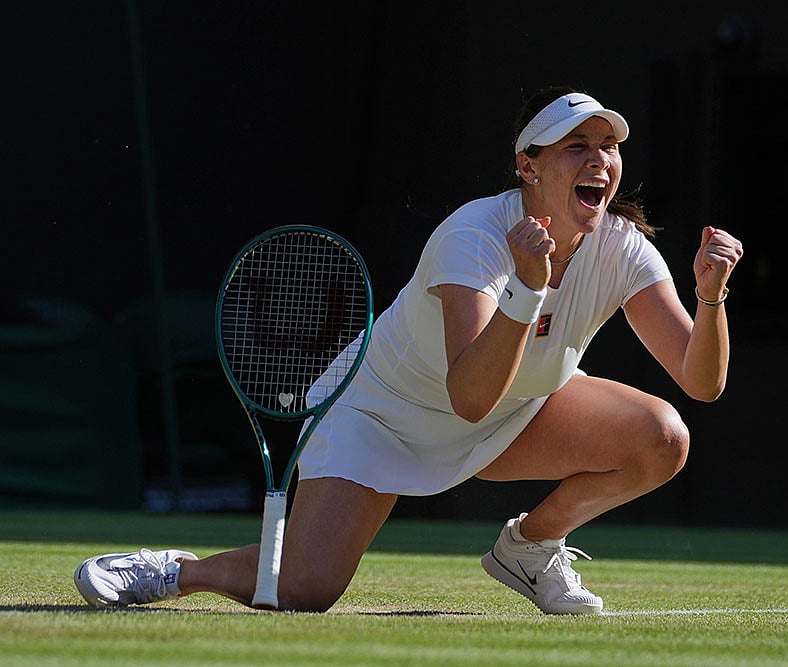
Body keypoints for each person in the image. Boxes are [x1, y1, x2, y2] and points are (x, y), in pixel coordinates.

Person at [74, 86, 743, 615]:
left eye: (608, 146)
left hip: (511, 412)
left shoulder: (623, 247)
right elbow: (469, 394)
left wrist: (710, 297)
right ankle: (179, 571)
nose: (599, 159)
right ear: (528, 166)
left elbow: (702, 381)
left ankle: (531, 547)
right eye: (577, 146)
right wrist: (527, 288)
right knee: (306, 588)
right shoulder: (472, 236)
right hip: (379, 414)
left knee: (662, 438)